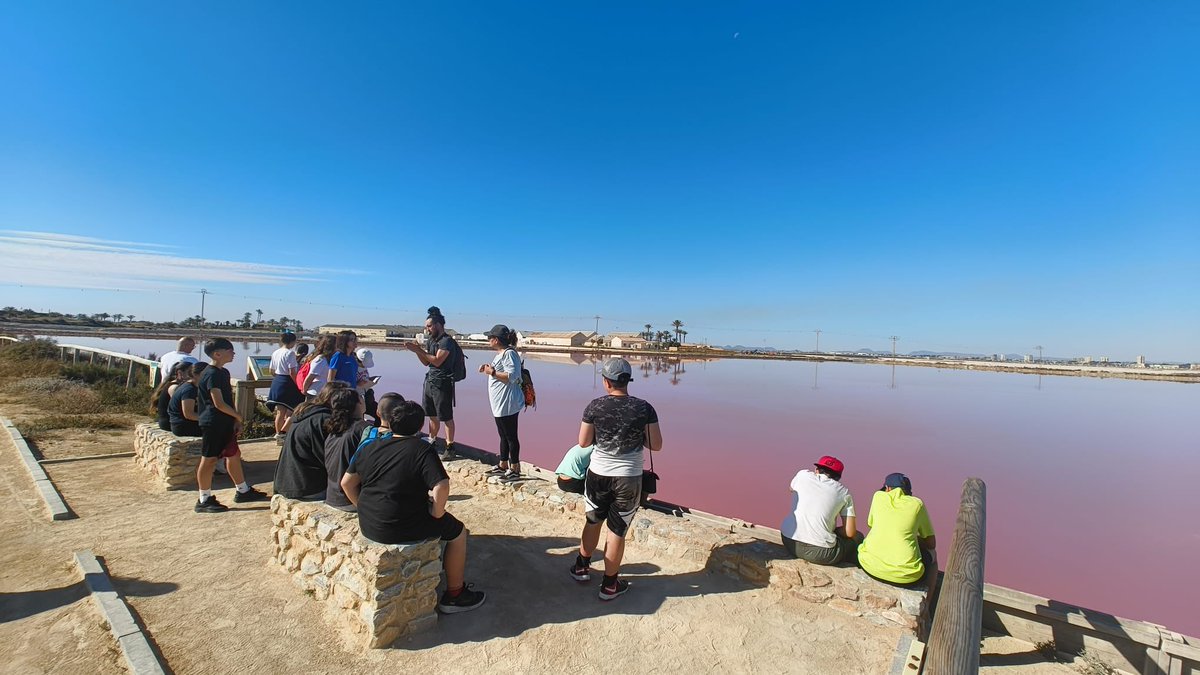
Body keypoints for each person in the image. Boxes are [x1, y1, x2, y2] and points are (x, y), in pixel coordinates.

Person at [340, 400, 486, 614]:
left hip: (368, 523)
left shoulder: (370, 446)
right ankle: (455, 595)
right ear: (419, 427)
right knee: (458, 533)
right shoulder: (421, 449)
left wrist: (362, 507)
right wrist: (437, 512)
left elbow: (346, 483)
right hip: (402, 524)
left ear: (389, 423)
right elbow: (441, 485)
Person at [572, 357, 662, 601]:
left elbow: (583, 442)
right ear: (627, 381)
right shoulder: (644, 408)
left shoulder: (594, 406)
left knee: (593, 521)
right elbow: (656, 445)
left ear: (606, 381)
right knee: (617, 530)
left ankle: (582, 566)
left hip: (598, 474)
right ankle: (610, 585)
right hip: (629, 478)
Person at [194, 338, 269, 512]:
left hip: (226, 422)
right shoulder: (210, 374)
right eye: (230, 350)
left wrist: (235, 419)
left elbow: (227, 399)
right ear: (217, 354)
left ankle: (242, 490)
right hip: (213, 423)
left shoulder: (223, 373)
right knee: (209, 459)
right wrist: (239, 416)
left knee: (234, 454)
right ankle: (204, 499)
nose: (234, 353)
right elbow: (218, 403)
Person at [858, 473, 938, 591]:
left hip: (868, 567)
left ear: (888, 488)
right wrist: (911, 536)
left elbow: (871, 523)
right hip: (905, 578)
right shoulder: (917, 504)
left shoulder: (878, 496)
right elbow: (931, 544)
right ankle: (927, 606)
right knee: (933, 555)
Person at [780, 455, 861, 566]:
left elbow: (791, 488)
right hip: (820, 553)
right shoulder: (843, 492)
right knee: (858, 537)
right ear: (838, 477)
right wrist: (835, 531)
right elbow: (850, 532)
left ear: (816, 470)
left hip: (789, 542)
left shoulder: (802, 475)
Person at [273, 381, 347, 500]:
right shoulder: (324, 420)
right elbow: (331, 461)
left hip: (285, 483)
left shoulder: (304, 413)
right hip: (306, 488)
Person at [404, 306, 457, 455]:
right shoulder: (432, 341)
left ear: (438, 325)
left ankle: (450, 446)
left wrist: (418, 350)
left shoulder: (446, 341)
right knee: (431, 415)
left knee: (446, 416)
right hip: (430, 381)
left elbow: (438, 361)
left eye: (429, 326)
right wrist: (417, 350)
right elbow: (427, 362)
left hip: (443, 383)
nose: (427, 329)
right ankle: (431, 439)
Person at [479, 324, 524, 480]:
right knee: (503, 435)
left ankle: (515, 467)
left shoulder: (509, 354)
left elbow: (513, 376)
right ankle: (503, 464)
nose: (488, 340)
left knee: (511, 436)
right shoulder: (501, 354)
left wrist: (491, 372)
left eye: (490, 338)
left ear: (496, 340)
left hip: (508, 403)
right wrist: (488, 368)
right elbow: (500, 372)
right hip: (500, 403)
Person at [323, 388, 372, 512]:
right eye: (361, 398)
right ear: (357, 404)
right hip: (350, 498)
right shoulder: (364, 429)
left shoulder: (333, 430)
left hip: (332, 496)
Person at [267, 332, 304, 442]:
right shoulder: (290, 353)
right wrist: (298, 384)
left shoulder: (275, 352)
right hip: (287, 382)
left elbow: (271, 371)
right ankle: (284, 433)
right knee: (293, 409)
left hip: (277, 380)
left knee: (280, 411)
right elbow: (292, 372)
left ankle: (278, 434)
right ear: (292, 342)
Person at [167, 362, 207, 437]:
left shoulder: (195, 387)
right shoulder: (189, 390)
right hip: (182, 426)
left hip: (187, 423)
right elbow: (189, 414)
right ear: (195, 375)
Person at [151, 362, 189, 431]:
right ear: (180, 373)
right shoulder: (174, 387)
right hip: (168, 422)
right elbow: (179, 407)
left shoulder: (171, 384)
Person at [355, 347, 378, 422]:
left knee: (379, 413)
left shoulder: (364, 367)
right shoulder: (353, 369)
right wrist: (358, 384)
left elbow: (365, 378)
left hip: (367, 395)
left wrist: (371, 380)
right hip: (358, 397)